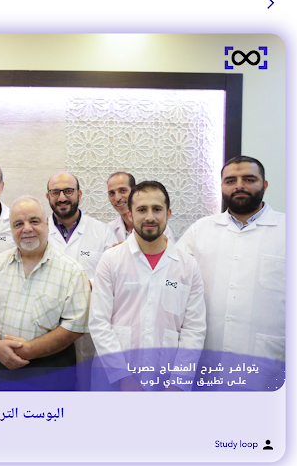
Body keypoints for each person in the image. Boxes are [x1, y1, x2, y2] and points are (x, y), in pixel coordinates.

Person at [90, 181, 206, 391]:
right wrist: (123, 377)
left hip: (167, 383)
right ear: (130, 214)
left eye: (157, 209)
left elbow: (194, 329)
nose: (150, 217)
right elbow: (99, 322)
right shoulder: (111, 259)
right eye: (142, 210)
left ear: (168, 213)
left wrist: (178, 382)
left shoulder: (188, 266)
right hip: (114, 381)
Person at [176, 157, 285, 379]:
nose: (239, 186)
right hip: (206, 361)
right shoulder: (200, 230)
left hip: (267, 361)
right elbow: (171, 278)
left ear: (264, 185)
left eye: (249, 179)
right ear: (222, 186)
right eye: (230, 181)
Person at [0, 196, 91, 390]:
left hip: (52, 370)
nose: (26, 229)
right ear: (11, 230)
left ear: (47, 224)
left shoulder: (73, 271)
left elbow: (75, 326)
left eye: (34, 221)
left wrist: (30, 350)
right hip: (1, 366)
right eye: (18, 224)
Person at [46, 171, 115, 387]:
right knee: (54, 386)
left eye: (68, 191)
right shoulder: (39, 231)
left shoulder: (102, 232)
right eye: (55, 192)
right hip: (48, 325)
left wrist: (80, 287)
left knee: (88, 385)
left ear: (79, 194)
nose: (62, 197)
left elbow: (112, 277)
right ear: (48, 196)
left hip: (89, 326)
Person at [106, 171, 136, 243]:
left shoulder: (151, 225)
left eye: (122, 191)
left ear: (134, 192)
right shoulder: (108, 229)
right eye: (112, 193)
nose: (117, 198)